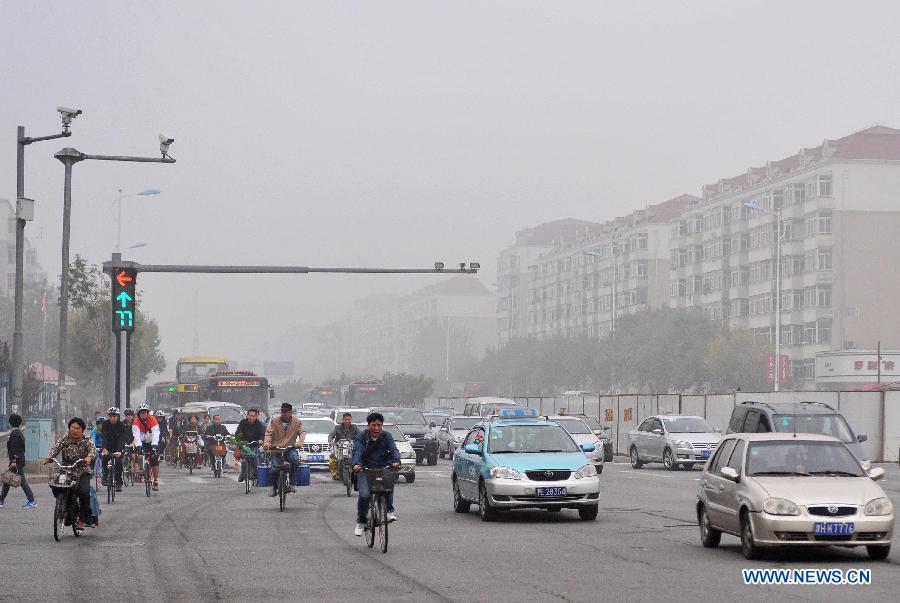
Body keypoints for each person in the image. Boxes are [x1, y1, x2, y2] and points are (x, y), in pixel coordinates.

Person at [351, 412, 401, 537]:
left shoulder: (387, 436)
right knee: (364, 495)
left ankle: (389, 511)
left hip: (383, 467)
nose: (376, 428)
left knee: (388, 487)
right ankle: (361, 522)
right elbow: (358, 451)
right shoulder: (362, 437)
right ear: (368, 426)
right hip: (364, 469)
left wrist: (396, 461)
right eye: (373, 425)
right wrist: (356, 464)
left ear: (382, 426)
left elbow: (394, 449)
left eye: (379, 425)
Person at [43, 417, 97, 531]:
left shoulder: (86, 440)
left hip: (82, 470)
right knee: (56, 487)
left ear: (82, 430)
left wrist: (89, 457)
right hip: (66, 469)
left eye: (78, 428)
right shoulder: (64, 439)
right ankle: (66, 509)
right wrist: (49, 456)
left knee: (84, 493)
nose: (75, 430)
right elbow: (55, 449)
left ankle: (83, 518)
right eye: (73, 427)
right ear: (69, 428)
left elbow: (93, 450)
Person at [263, 403, 305, 497]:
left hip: (290, 448)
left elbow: (302, 432)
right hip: (276, 449)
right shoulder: (275, 421)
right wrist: (266, 444)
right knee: (273, 470)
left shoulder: (297, 422)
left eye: (286, 411)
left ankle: (292, 484)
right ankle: (274, 488)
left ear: (290, 412)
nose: (284, 413)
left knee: (295, 460)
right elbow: (268, 433)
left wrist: (300, 443)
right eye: (282, 411)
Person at [0, 414, 37, 509]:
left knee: (22, 481)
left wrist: (13, 460)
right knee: (6, 480)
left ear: (11, 423)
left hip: (16, 461)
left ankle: (32, 500)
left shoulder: (14, 434)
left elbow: (15, 449)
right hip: (18, 460)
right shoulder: (18, 433)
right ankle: (1, 500)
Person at [98, 407, 129, 492]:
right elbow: (104, 437)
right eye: (111, 416)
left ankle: (118, 483)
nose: (112, 418)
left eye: (114, 416)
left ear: (118, 417)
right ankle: (105, 474)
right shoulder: (105, 424)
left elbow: (122, 439)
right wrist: (104, 448)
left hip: (118, 447)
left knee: (119, 463)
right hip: (107, 447)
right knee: (104, 460)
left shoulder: (122, 425)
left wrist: (119, 450)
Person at [132, 404, 161, 491]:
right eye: (141, 413)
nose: (143, 414)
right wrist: (138, 446)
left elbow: (156, 433)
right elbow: (136, 435)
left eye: (144, 413)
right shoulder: (136, 421)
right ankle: (141, 469)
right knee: (139, 454)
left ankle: (155, 480)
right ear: (138, 414)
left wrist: (154, 445)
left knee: (154, 460)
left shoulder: (153, 420)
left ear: (147, 413)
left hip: (152, 441)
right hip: (142, 442)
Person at [234, 409, 265, 482]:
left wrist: (260, 440)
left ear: (256, 416)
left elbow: (262, 434)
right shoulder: (242, 423)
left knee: (254, 457)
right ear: (247, 415)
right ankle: (242, 473)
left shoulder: (259, 424)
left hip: (254, 444)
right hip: (244, 444)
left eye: (253, 416)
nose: (251, 418)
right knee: (244, 460)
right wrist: (238, 439)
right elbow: (238, 432)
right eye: (250, 416)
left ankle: (255, 473)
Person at [328, 412, 359, 480]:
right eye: (345, 419)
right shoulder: (337, 427)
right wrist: (331, 443)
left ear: (351, 420)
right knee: (333, 457)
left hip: (351, 447)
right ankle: (336, 473)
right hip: (339, 448)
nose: (347, 421)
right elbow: (331, 436)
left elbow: (361, 436)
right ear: (343, 420)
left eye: (349, 420)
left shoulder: (355, 427)